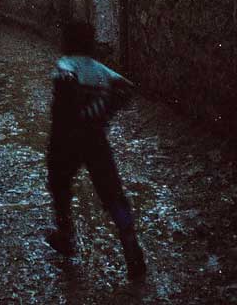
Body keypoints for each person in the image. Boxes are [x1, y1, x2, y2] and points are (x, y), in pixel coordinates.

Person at [46, 19, 146, 281]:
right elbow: (126, 87)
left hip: (66, 139)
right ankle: (130, 243)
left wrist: (76, 113)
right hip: (95, 139)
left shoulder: (66, 65)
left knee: (59, 184)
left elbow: (64, 88)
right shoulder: (102, 71)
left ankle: (66, 235)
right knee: (111, 191)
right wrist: (104, 112)